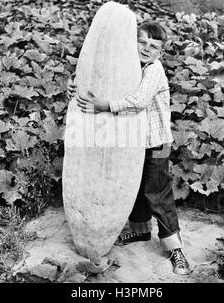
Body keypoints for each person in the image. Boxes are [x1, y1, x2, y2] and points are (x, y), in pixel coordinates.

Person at [75, 21, 190, 275]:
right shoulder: (129, 67)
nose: (147, 49)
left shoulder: (154, 70)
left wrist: (103, 105)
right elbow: (103, 84)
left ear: (161, 52)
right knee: (135, 188)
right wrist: (79, 89)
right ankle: (140, 232)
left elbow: (138, 102)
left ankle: (175, 249)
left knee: (157, 192)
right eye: (142, 42)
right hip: (135, 142)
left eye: (154, 46)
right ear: (133, 42)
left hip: (158, 142)